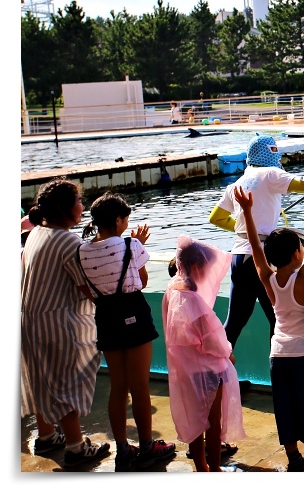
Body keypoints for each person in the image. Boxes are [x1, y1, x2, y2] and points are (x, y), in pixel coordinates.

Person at [208, 135, 304, 354]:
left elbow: (216, 217)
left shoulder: (238, 182)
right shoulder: (270, 174)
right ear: (271, 155)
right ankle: (278, 375)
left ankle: (215, 378)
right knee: (277, 320)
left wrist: (249, 227)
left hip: (239, 257)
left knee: (233, 323)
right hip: (262, 257)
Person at [235, 185, 304, 472]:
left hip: (278, 354)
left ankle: (294, 460)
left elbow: (256, 248)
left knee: (285, 407)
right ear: (297, 254)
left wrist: (246, 211)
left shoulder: (268, 278)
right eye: (301, 248)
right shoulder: (303, 280)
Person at [77, 193, 176, 471]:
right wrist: (137, 247)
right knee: (140, 386)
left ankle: (123, 449)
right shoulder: (131, 245)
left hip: (105, 316)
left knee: (118, 387)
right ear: (119, 220)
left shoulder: (81, 250)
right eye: (126, 218)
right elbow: (142, 281)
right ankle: (147, 446)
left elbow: (85, 288)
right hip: (133, 315)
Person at [21, 178, 111, 467]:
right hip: (58, 322)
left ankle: (47, 436)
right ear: (66, 208)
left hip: (31, 319)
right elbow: (87, 285)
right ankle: (75, 447)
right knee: (66, 383)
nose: (82, 206)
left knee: (41, 378)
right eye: (78, 202)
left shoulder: (37, 233)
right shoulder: (67, 241)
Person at [163, 236, 246, 472]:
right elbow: (212, 337)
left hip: (184, 368)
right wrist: (228, 353)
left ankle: (201, 466)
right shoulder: (193, 301)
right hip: (208, 370)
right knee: (212, 422)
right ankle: (215, 468)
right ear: (198, 267)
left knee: (194, 421)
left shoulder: (172, 288)